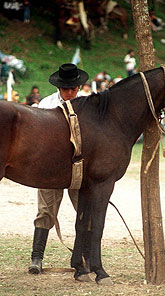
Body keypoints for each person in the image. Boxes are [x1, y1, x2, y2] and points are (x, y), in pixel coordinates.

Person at [28, 63, 89, 274]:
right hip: (51, 166)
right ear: (59, 87)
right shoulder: (46, 105)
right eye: (66, 89)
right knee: (45, 211)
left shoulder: (88, 105)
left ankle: (85, 258)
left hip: (78, 165)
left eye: (74, 88)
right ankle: (37, 258)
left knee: (84, 210)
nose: (70, 92)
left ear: (79, 87)